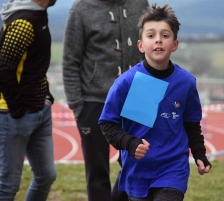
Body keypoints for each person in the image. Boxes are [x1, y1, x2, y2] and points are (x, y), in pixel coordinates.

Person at [99, 3, 212, 201]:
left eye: (165, 35)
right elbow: (107, 124)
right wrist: (130, 143)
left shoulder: (186, 83)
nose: (158, 40)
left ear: (174, 44)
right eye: (151, 35)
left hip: (173, 168)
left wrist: (200, 154)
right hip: (137, 170)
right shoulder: (126, 82)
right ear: (141, 45)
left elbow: (192, 124)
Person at [62, 0, 149, 200]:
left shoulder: (140, 3)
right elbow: (70, 60)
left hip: (137, 98)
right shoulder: (81, 8)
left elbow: (151, 47)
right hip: (94, 103)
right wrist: (77, 106)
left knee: (137, 164)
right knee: (97, 174)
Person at [0, 0, 57, 200]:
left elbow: (35, 65)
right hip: (14, 114)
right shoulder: (23, 21)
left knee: (46, 176)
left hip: (39, 110)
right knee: (7, 186)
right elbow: (4, 69)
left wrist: (46, 96)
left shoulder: (37, 14)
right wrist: (17, 109)